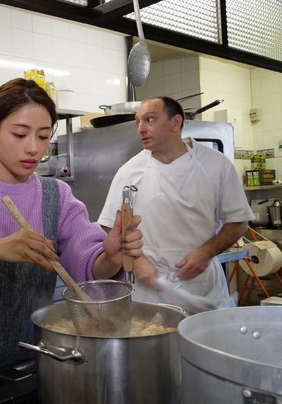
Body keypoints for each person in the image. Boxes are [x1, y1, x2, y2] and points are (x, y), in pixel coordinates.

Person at [0, 78, 143, 377]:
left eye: (44, 137)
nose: (33, 148)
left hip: (33, 361)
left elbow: (87, 268)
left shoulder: (55, 195)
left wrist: (110, 256)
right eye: (19, 134)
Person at [98, 96, 254, 315]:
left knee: (204, 346)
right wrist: (136, 261)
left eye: (149, 120)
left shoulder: (215, 165)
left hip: (201, 287)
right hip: (149, 287)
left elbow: (238, 222)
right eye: (138, 122)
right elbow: (109, 226)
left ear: (176, 122)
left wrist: (206, 252)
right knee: (155, 346)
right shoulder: (129, 171)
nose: (141, 128)